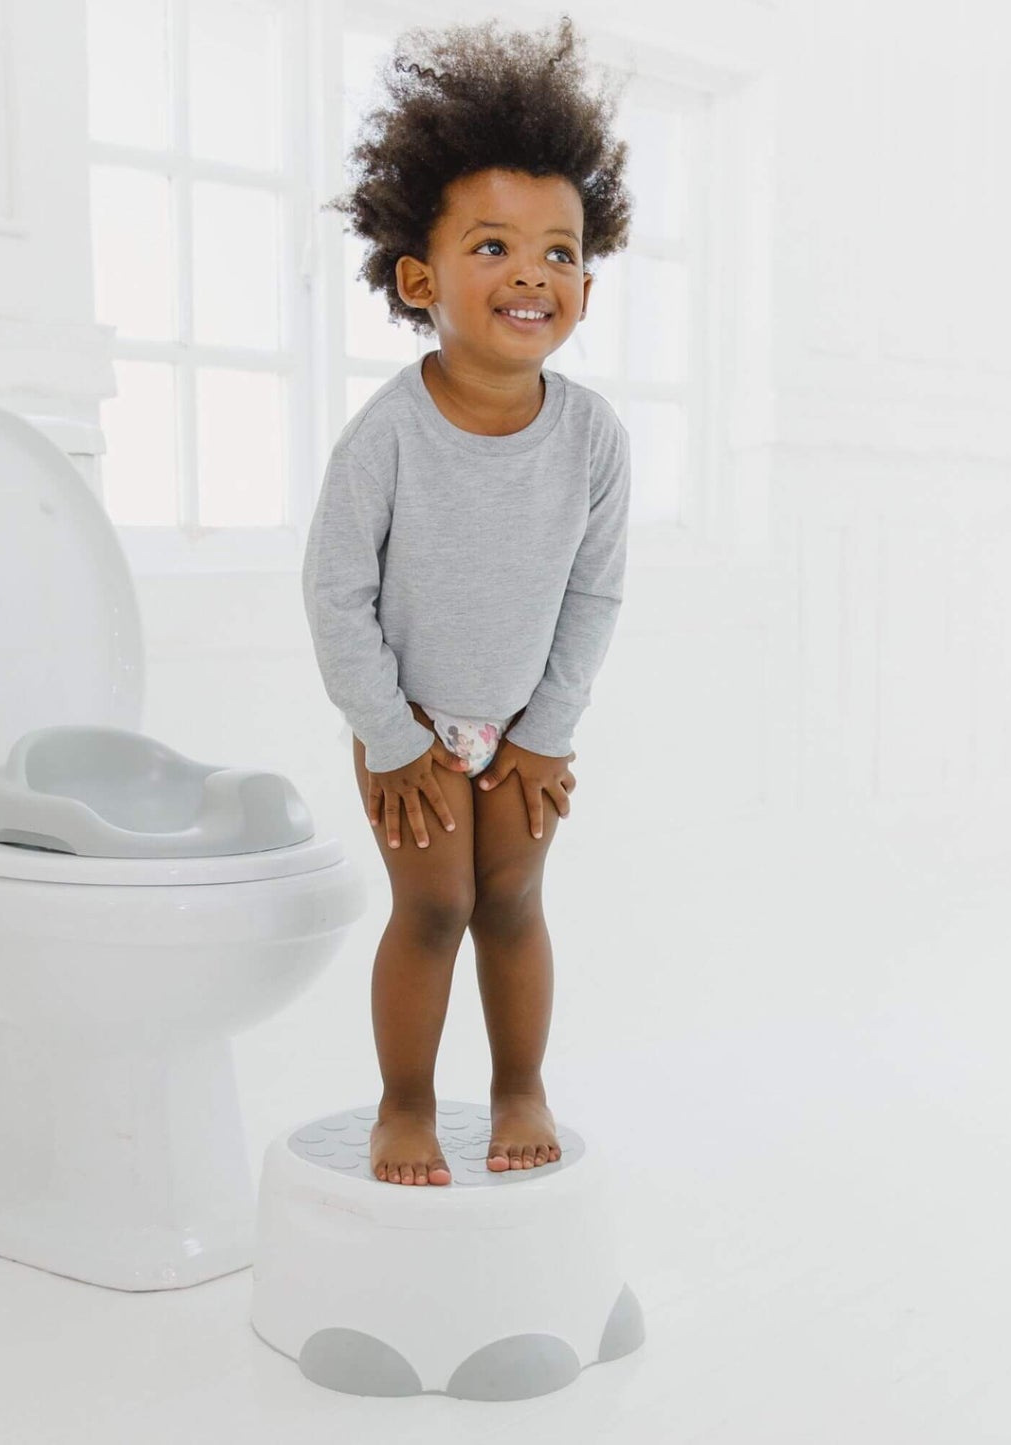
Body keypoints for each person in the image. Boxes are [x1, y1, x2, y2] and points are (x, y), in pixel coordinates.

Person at [301, 15, 634, 1186]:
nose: (531, 272)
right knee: (432, 907)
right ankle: (404, 1101)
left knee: (513, 898)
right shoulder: (386, 434)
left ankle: (517, 1085)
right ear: (417, 277)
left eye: (558, 249)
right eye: (491, 246)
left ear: (585, 280)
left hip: (525, 719)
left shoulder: (590, 436)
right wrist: (392, 740)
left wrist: (548, 727)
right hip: (408, 719)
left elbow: (595, 590)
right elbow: (335, 591)